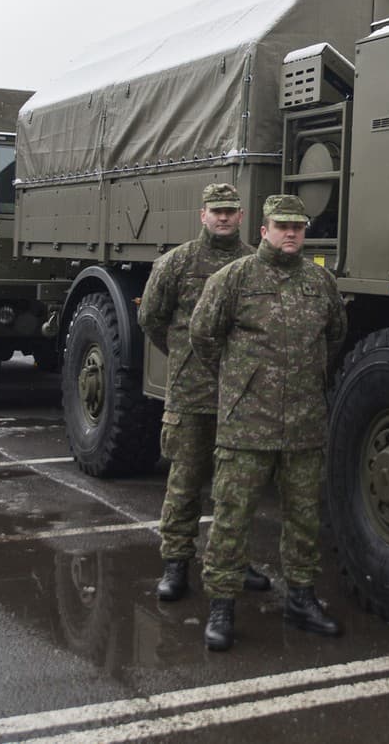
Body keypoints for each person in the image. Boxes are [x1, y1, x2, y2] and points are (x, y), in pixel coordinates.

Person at [190, 193, 347, 651]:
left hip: (303, 424)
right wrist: (240, 380)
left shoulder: (321, 283)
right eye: (283, 226)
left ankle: (301, 598)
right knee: (231, 517)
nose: (292, 233)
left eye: (298, 226)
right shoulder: (234, 278)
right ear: (263, 230)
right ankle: (221, 604)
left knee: (303, 518)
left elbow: (334, 335)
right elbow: (203, 335)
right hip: (247, 425)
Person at [137, 183, 270, 602]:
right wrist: (184, 355)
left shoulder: (255, 264)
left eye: (231, 210)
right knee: (185, 482)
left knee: (238, 490)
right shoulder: (176, 264)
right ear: (203, 215)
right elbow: (152, 320)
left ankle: (234, 560)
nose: (224, 217)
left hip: (240, 397)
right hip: (191, 395)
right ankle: (176, 564)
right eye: (217, 211)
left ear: (241, 215)